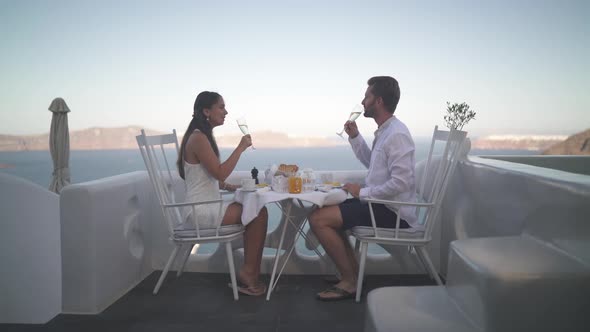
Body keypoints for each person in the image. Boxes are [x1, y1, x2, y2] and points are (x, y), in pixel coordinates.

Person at [309, 76, 417, 301]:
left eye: (366, 96)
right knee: (326, 214)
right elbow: (373, 163)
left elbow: (401, 182)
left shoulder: (397, 134)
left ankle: (349, 282)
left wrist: (362, 192)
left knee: (319, 220)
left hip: (393, 212)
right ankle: (353, 274)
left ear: (378, 101)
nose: (362, 101)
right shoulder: (386, 131)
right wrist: (355, 137)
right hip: (380, 206)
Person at [177, 91, 268, 296]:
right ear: (206, 111)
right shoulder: (199, 138)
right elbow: (219, 172)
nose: (226, 111)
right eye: (221, 107)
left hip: (206, 205)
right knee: (258, 213)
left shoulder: (201, 136)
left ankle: (250, 273)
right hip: (199, 211)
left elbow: (207, 179)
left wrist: (230, 188)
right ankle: (249, 273)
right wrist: (240, 147)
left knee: (256, 210)